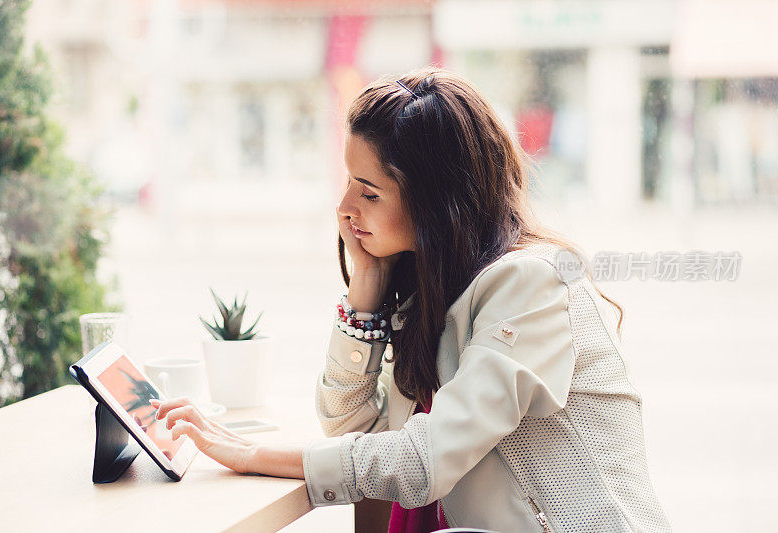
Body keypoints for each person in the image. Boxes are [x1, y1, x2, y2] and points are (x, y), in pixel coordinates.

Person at [153, 66, 672, 532]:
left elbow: (427, 458)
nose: (344, 209)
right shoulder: (428, 293)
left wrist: (255, 453)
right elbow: (352, 427)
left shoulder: (531, 285)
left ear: (437, 201)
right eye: (347, 183)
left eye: (369, 192)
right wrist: (366, 291)